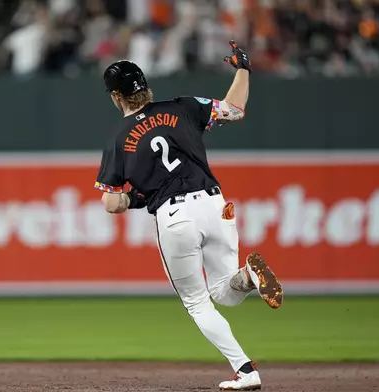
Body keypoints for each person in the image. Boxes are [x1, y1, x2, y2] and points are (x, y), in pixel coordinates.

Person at [93, 41, 283, 391]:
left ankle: (245, 370)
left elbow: (111, 203)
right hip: (215, 205)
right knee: (226, 293)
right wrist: (243, 69)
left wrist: (137, 197)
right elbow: (234, 110)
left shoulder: (118, 139)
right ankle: (248, 277)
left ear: (115, 97)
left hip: (175, 215)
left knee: (198, 303)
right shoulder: (184, 106)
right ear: (146, 86)